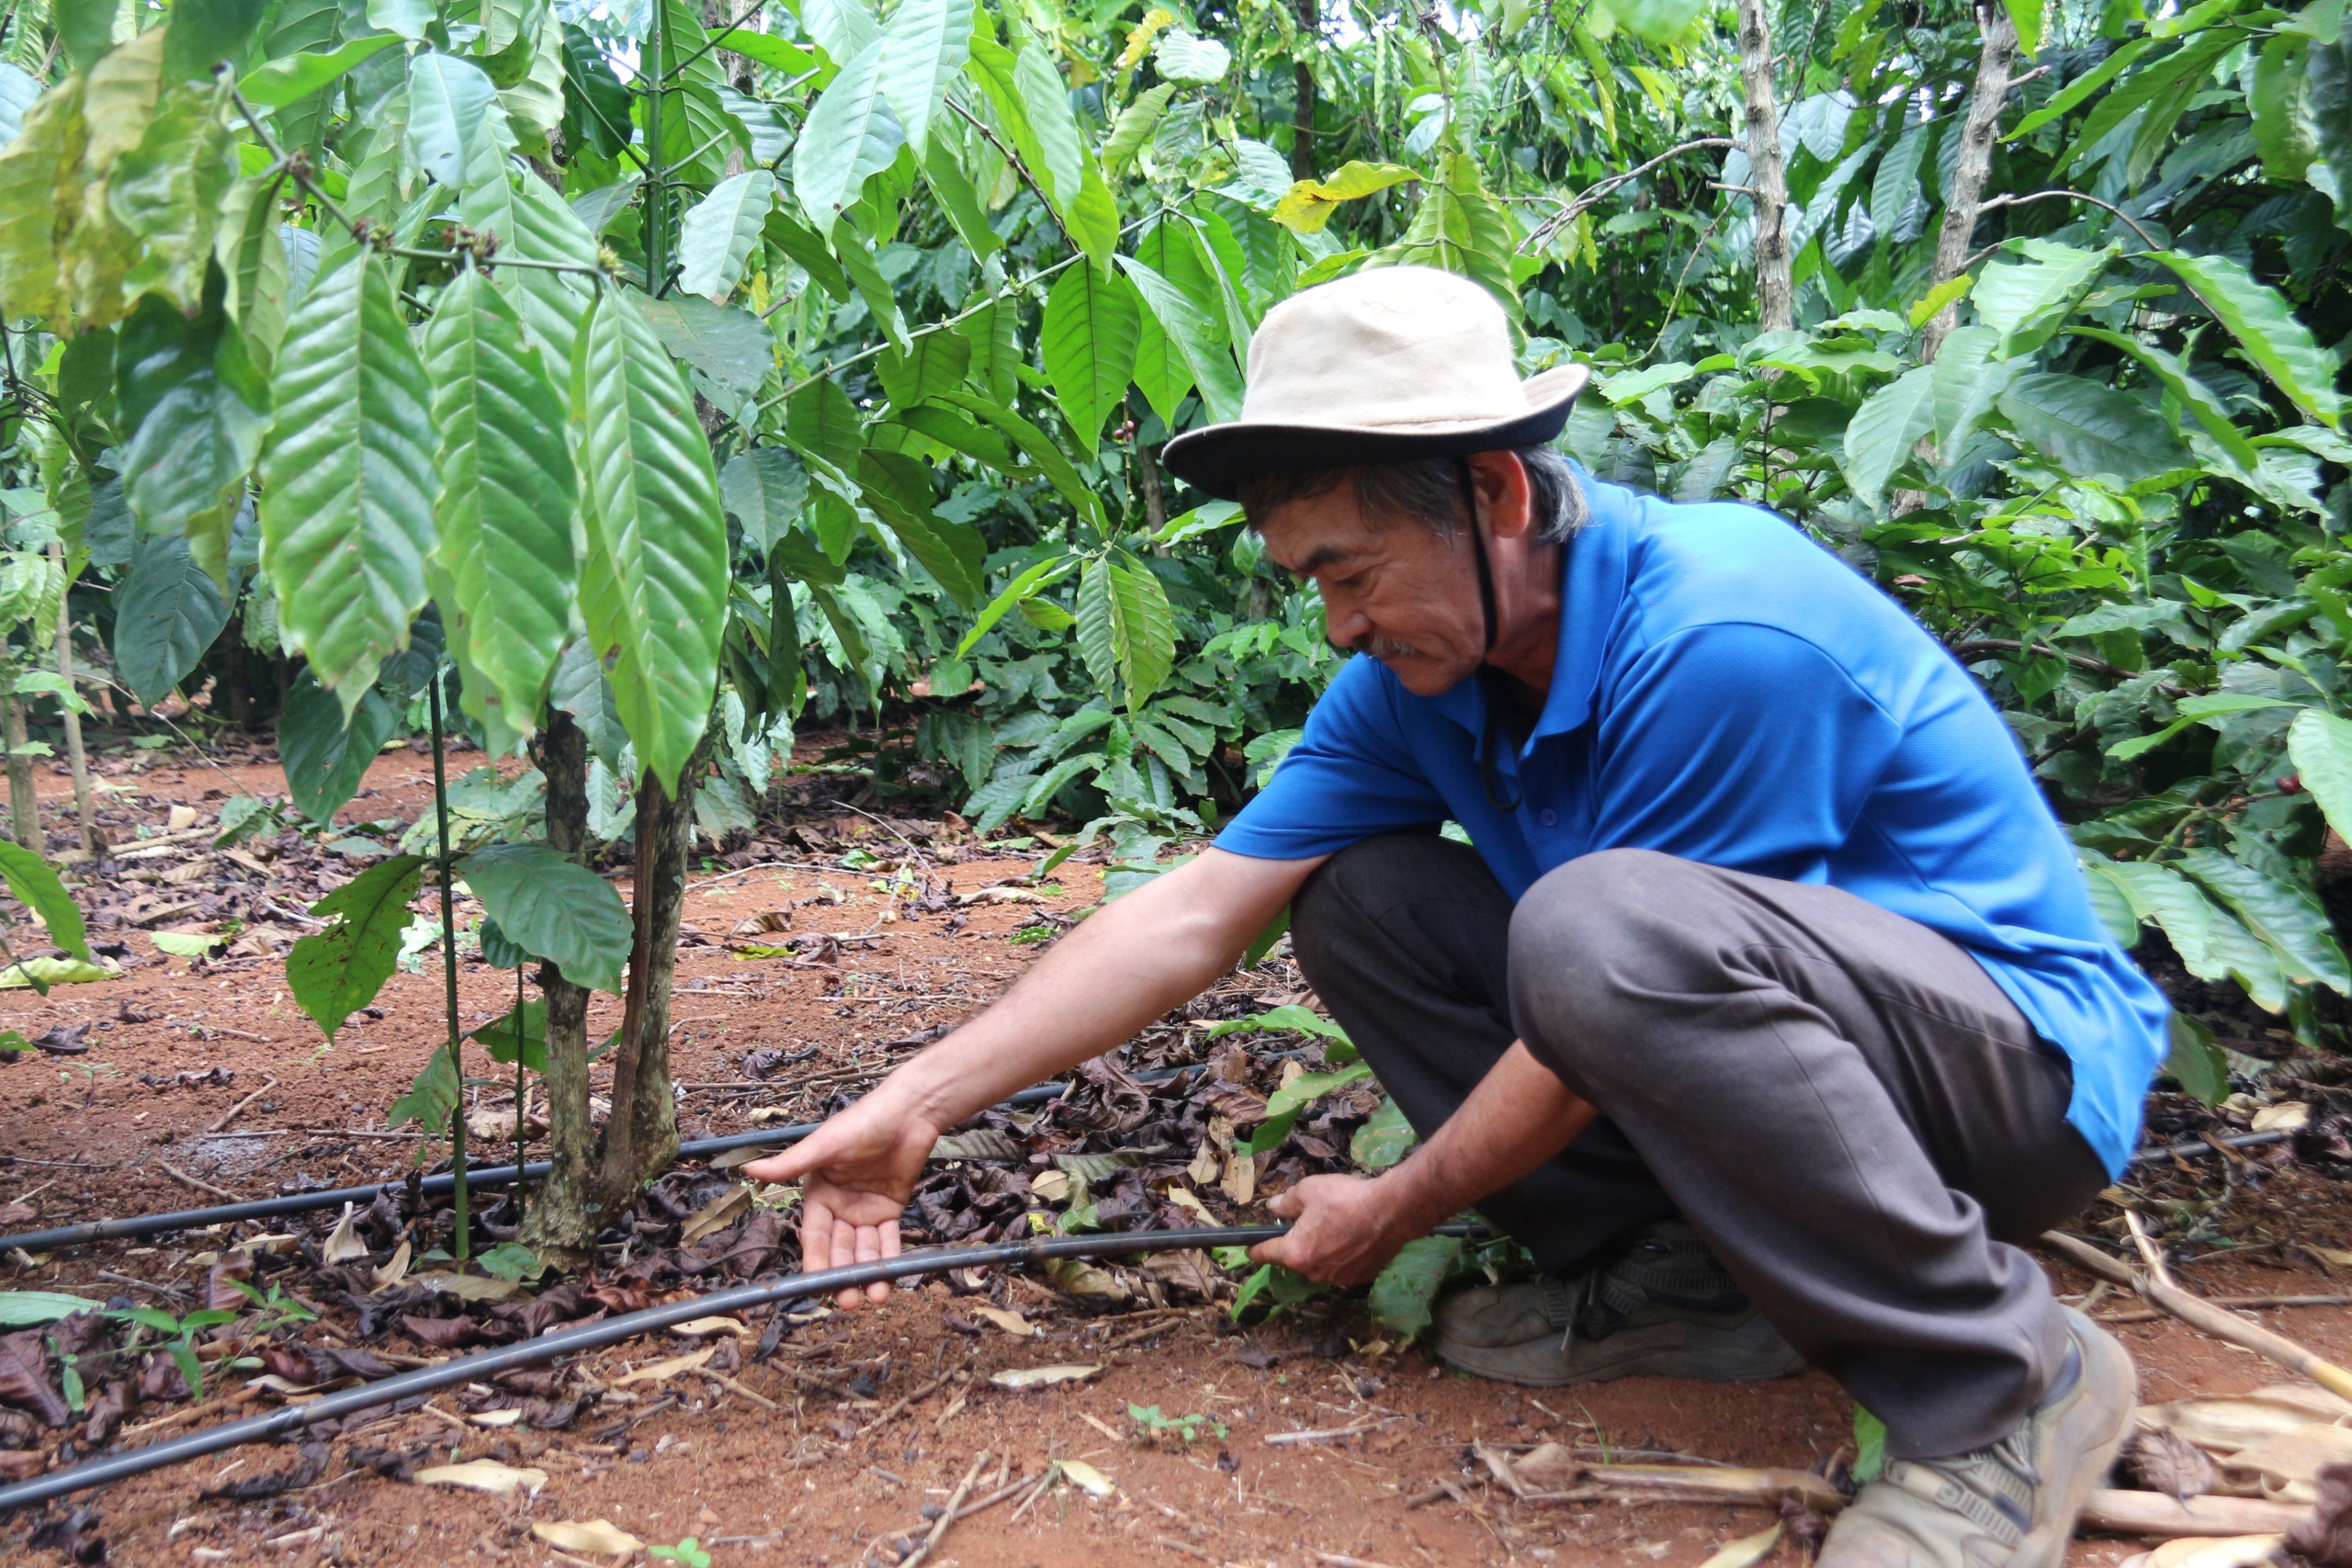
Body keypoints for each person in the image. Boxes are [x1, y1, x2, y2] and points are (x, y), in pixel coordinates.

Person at [745, 265, 2171, 1568]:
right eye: (1311, 584)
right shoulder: (1422, 682)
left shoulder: (1725, 631)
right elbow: (1195, 915)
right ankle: (1691, 1282)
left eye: (1351, 574)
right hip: (1786, 1070)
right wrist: (917, 1105)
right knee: (1363, 895)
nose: (1340, 630)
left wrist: (1398, 1205)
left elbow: (1614, 983)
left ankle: (2006, 1386)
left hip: (2006, 1091)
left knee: (1598, 925)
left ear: (1494, 495)